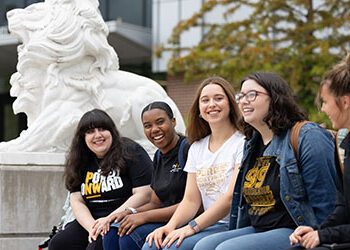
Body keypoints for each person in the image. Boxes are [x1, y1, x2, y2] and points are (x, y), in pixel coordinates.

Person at [194, 72, 338, 250]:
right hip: (259, 228)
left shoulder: (307, 136)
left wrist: (322, 235)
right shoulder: (251, 144)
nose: (244, 101)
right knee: (204, 246)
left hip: (296, 229)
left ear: (275, 97)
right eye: (241, 96)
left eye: (252, 94)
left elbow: (327, 202)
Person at [142, 76, 246, 250]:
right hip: (207, 224)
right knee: (151, 246)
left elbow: (229, 198)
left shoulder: (242, 143)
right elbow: (190, 200)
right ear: (199, 109)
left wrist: (191, 227)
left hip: (233, 224)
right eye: (205, 100)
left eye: (218, 98)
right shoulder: (197, 147)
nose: (211, 104)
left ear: (230, 104)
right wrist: (170, 226)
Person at [48, 109, 153, 250]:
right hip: (92, 218)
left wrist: (110, 219)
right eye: (90, 132)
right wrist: (92, 226)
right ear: (83, 137)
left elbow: (144, 193)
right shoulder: (79, 159)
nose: (98, 135)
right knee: (59, 243)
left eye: (102, 129)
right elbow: (76, 200)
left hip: (123, 216)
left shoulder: (131, 151)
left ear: (112, 132)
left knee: (96, 246)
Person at [102, 101, 190, 250]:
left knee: (128, 236)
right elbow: (155, 202)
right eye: (148, 126)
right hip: (162, 219)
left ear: (173, 122)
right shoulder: (158, 156)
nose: (154, 129)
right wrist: (128, 212)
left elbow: (193, 204)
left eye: (160, 122)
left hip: (184, 220)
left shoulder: (187, 148)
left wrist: (144, 217)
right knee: (112, 231)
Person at [289, 54, 350, 249]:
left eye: (325, 101)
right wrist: (316, 231)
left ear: (345, 102)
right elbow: (343, 206)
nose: (323, 109)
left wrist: (325, 235)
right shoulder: (344, 145)